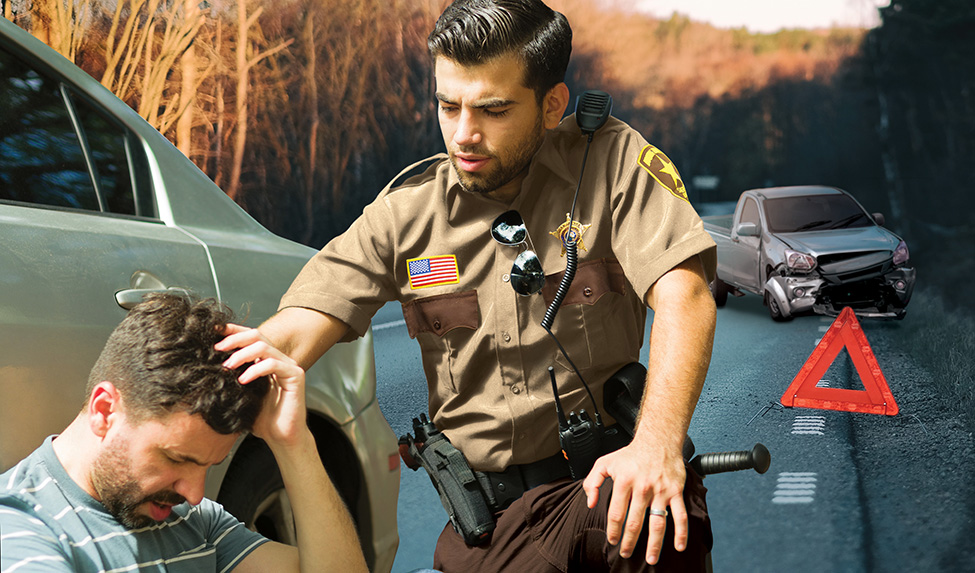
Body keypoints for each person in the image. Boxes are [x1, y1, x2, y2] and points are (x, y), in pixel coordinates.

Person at [259, 0, 718, 570]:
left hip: (607, 488)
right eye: (448, 107)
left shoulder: (611, 160)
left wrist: (656, 446)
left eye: (493, 110)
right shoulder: (404, 216)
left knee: (650, 523)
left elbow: (686, 294)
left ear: (552, 104)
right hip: (489, 525)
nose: (464, 134)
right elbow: (291, 335)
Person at [0, 293, 368, 573]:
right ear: (104, 410)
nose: (194, 493)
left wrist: (294, 444)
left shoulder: (196, 520)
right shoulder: (18, 528)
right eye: (177, 458)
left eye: (208, 466)